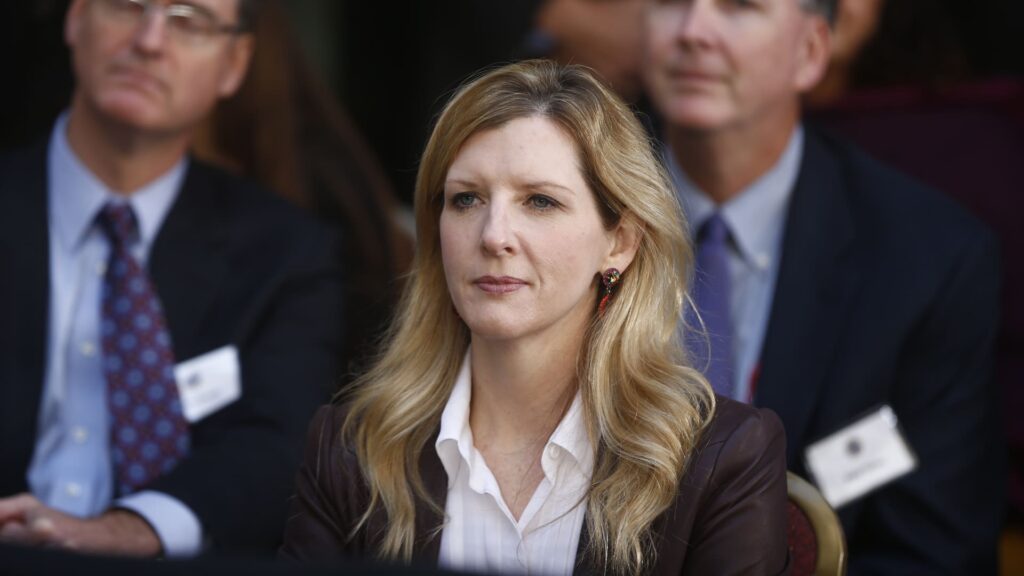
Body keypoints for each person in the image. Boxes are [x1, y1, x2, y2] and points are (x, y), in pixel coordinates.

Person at [280, 60, 789, 575]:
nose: (493, 235)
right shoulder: (351, 450)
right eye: (466, 199)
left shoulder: (723, 457)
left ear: (620, 242)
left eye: (540, 201)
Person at [643, 0, 1003, 573]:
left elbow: (933, 553)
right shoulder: (546, 215)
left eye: (739, 6)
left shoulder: (928, 260)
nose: (694, 30)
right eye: (671, 2)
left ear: (811, 51)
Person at [0, 0, 340, 558]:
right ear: (76, 17)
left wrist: (130, 531)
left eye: (189, 20)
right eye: (127, 5)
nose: (150, 40)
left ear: (234, 63)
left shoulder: (284, 252)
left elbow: (277, 443)